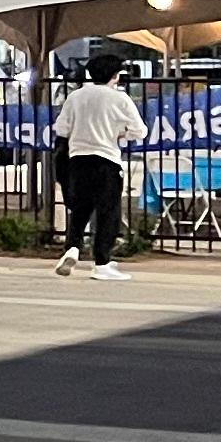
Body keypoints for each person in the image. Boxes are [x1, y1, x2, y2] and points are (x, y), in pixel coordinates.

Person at [53, 51, 151, 279]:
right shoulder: (120, 99)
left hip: (77, 159)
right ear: (115, 76)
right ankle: (102, 263)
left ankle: (73, 248)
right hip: (107, 160)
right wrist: (121, 133)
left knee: (80, 210)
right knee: (108, 212)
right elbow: (140, 131)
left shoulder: (76, 97)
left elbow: (62, 129)